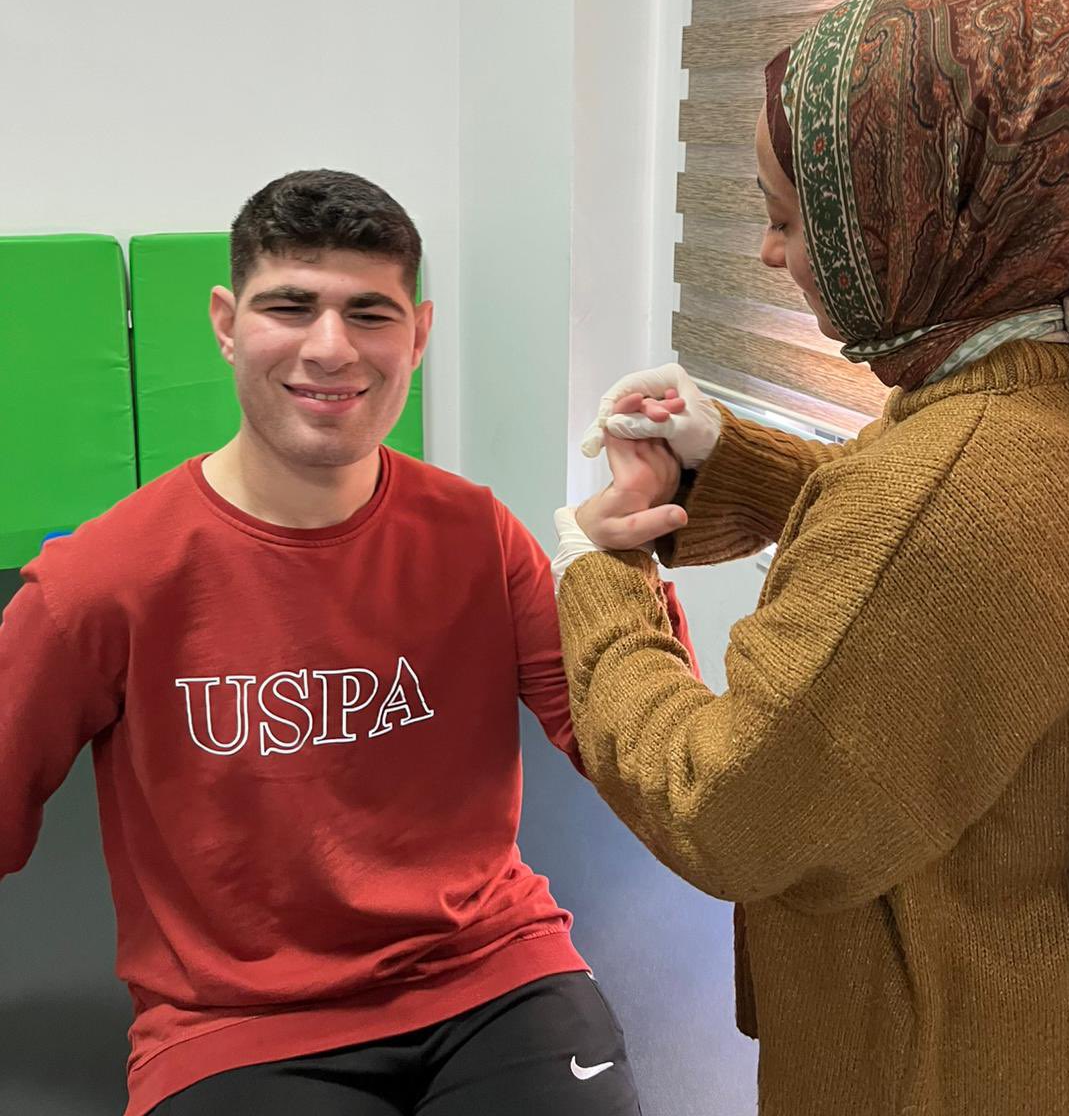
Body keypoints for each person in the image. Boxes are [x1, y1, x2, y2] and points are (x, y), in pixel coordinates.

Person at [550, 0, 1069, 1115]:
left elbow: (729, 809)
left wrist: (596, 580)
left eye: (791, 220)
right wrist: (724, 461)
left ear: (912, 221)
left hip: (940, 1068)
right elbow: (960, 572)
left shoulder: (954, 487)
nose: (768, 253)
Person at [0, 169, 688, 1116]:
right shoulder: (102, 579)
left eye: (370, 313)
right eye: (290, 305)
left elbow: (635, 750)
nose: (331, 348)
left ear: (419, 334)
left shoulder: (477, 535)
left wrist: (622, 565)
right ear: (226, 322)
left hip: (491, 970)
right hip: (237, 1022)